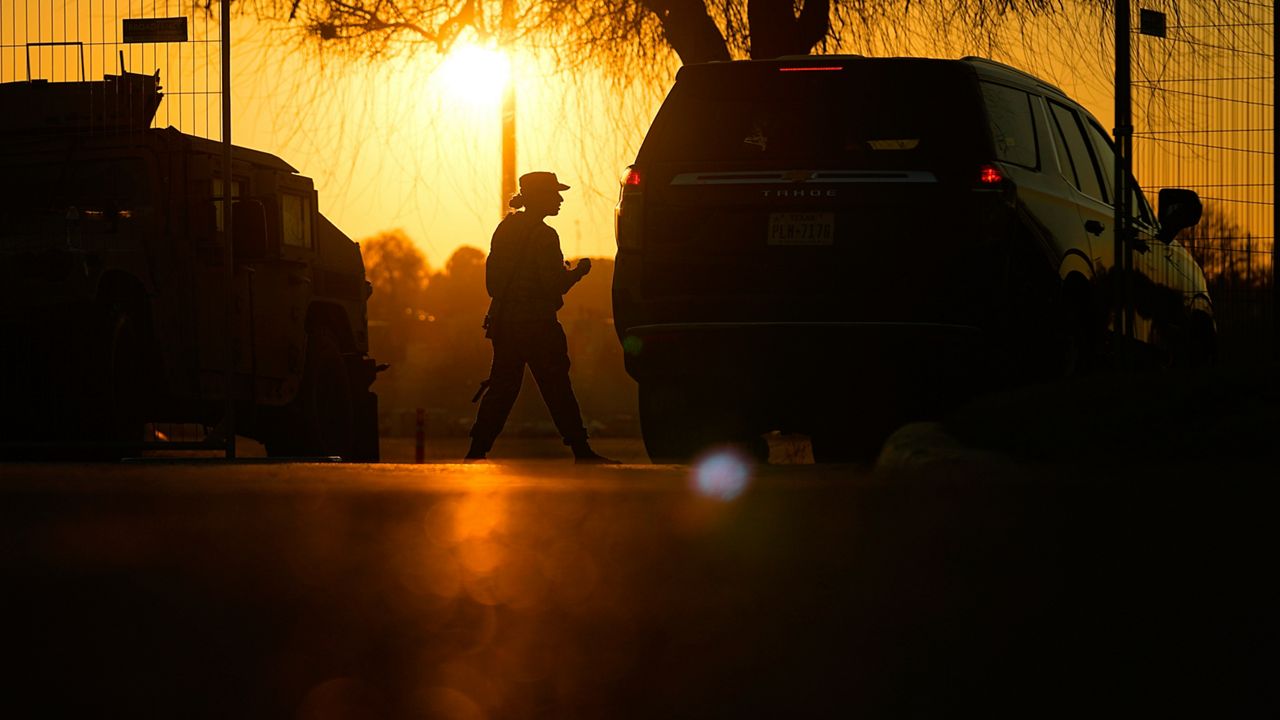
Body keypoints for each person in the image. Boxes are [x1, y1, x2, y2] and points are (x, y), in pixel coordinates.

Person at [466, 171, 617, 463]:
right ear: (539, 198)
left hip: (505, 323)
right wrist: (578, 273)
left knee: (502, 388)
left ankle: (477, 449)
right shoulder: (545, 235)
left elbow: (493, 283)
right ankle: (581, 450)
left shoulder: (505, 229)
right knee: (557, 387)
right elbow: (554, 284)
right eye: (554, 194)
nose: (560, 200)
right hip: (538, 324)